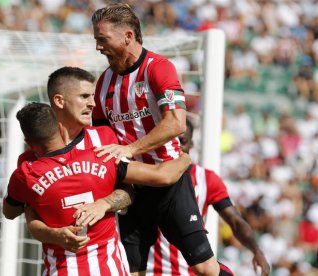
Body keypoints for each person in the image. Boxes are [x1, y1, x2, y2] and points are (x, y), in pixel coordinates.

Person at [91, 3, 232, 275]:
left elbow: (176, 124)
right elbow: (99, 133)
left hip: (170, 183)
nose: (98, 47)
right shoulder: (104, 82)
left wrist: (129, 148)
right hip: (131, 187)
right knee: (131, 271)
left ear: (128, 36)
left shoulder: (158, 68)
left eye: (102, 39)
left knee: (204, 268)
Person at [3, 102, 191, 275]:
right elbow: (158, 178)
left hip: (61, 270)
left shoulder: (25, 175)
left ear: (28, 143)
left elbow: (10, 212)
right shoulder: (101, 156)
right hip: (110, 268)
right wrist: (185, 158)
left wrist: (34, 207)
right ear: (61, 128)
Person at [147, 119, 270, 276]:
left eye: (182, 141)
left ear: (191, 144)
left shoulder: (207, 179)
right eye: (172, 141)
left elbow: (235, 221)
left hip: (192, 270)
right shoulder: (149, 175)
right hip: (152, 270)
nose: (176, 147)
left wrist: (256, 250)